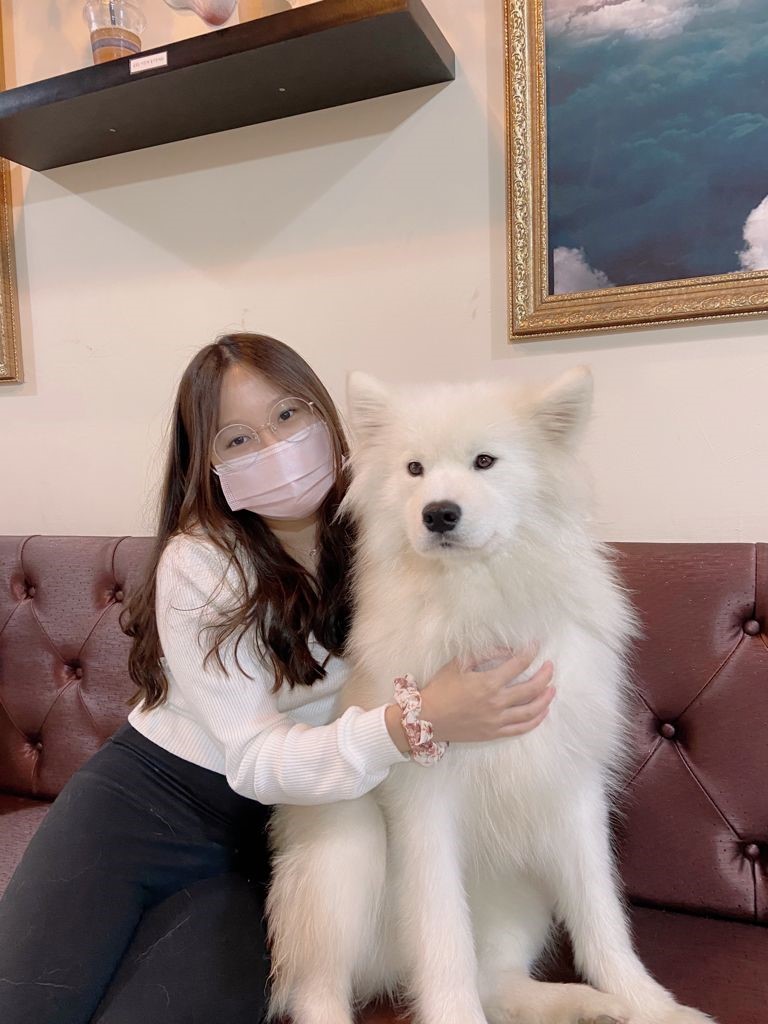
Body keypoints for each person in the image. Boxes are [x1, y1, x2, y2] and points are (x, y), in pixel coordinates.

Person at [0, 333, 556, 1024]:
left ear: (327, 415)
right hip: (145, 806)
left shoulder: (391, 518)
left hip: (281, 840)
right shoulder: (199, 564)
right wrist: (416, 721)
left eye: (289, 416)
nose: (273, 447)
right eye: (237, 439)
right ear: (207, 464)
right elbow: (255, 758)